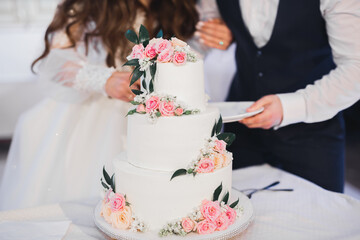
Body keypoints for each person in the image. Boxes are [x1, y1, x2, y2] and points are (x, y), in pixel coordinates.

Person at [0, 0, 201, 210]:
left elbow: (194, 49)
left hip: (156, 119)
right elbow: (53, 62)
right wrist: (103, 80)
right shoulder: (86, 5)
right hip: (96, 115)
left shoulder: (179, 7)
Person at [197, 0, 360, 192]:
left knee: (317, 217)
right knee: (236, 214)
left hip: (313, 135)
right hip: (242, 131)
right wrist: (212, 35)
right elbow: (199, 30)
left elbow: (355, 67)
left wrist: (290, 107)